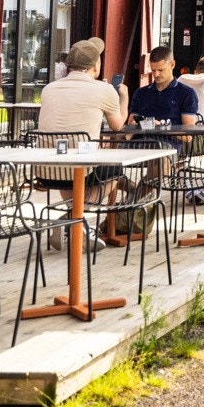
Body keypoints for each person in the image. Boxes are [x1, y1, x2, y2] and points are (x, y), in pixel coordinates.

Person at [36, 36, 129, 248]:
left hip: (46, 170)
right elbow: (118, 125)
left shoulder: (49, 88)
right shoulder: (104, 90)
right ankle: (73, 219)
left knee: (71, 167)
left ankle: (75, 223)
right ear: (96, 65)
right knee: (116, 171)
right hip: (81, 168)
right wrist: (123, 96)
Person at [128, 45, 199, 153]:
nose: (156, 74)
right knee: (116, 152)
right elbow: (128, 134)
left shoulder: (186, 93)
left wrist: (160, 127)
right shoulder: (140, 93)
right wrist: (135, 125)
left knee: (159, 155)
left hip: (167, 145)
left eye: (160, 70)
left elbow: (188, 136)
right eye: (153, 70)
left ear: (172, 64)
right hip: (138, 143)